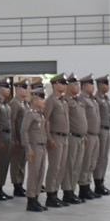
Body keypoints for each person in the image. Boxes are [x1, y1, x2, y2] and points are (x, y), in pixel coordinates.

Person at [20, 79, 49, 212]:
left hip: (42, 147)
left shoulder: (40, 114)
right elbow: (24, 130)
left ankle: (36, 198)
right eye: (42, 99)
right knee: (33, 174)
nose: (44, 101)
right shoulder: (30, 113)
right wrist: (28, 148)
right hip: (34, 147)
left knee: (40, 173)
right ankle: (31, 200)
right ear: (36, 99)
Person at [43, 74, 70, 210]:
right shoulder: (51, 101)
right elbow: (45, 120)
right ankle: (50, 195)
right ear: (55, 85)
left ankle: (56, 192)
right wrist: (49, 138)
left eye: (65, 83)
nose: (65, 86)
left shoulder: (63, 101)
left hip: (65, 137)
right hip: (55, 137)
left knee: (61, 167)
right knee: (54, 167)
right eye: (62, 83)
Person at [62, 73, 87, 206]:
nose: (78, 86)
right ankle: (67, 192)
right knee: (69, 166)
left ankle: (72, 190)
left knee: (77, 165)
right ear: (68, 87)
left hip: (80, 137)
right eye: (75, 84)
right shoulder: (65, 101)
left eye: (78, 84)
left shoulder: (77, 100)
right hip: (71, 136)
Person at [76, 75, 102, 201]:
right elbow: (81, 118)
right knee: (85, 162)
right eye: (91, 85)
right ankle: (83, 187)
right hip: (88, 135)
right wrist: (84, 134)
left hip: (95, 135)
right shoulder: (82, 99)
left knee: (92, 162)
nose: (93, 87)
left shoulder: (92, 99)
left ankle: (88, 184)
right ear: (85, 86)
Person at [0, 76, 14, 202]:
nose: (8, 89)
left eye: (9, 87)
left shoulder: (7, 104)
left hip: (8, 136)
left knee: (5, 164)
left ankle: (0, 186)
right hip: (1, 135)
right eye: (6, 87)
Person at [94, 76, 110, 196]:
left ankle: (102, 181)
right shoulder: (96, 99)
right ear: (99, 85)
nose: (108, 86)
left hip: (107, 130)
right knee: (100, 157)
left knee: (105, 158)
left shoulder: (106, 98)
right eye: (105, 84)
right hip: (100, 130)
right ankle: (98, 183)